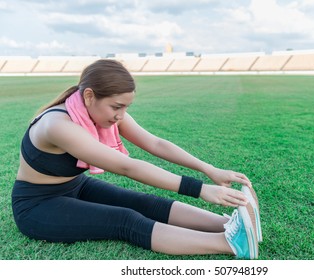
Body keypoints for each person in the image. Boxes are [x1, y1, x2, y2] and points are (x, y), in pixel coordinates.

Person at [12, 59, 260, 259]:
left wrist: (209, 169)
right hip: (38, 205)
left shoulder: (103, 112)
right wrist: (200, 189)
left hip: (76, 187)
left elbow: (155, 143)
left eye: (126, 108)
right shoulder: (57, 125)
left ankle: (228, 224)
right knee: (124, 220)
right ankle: (230, 243)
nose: (121, 116)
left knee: (143, 202)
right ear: (89, 96)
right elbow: (126, 166)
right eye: (116, 107)